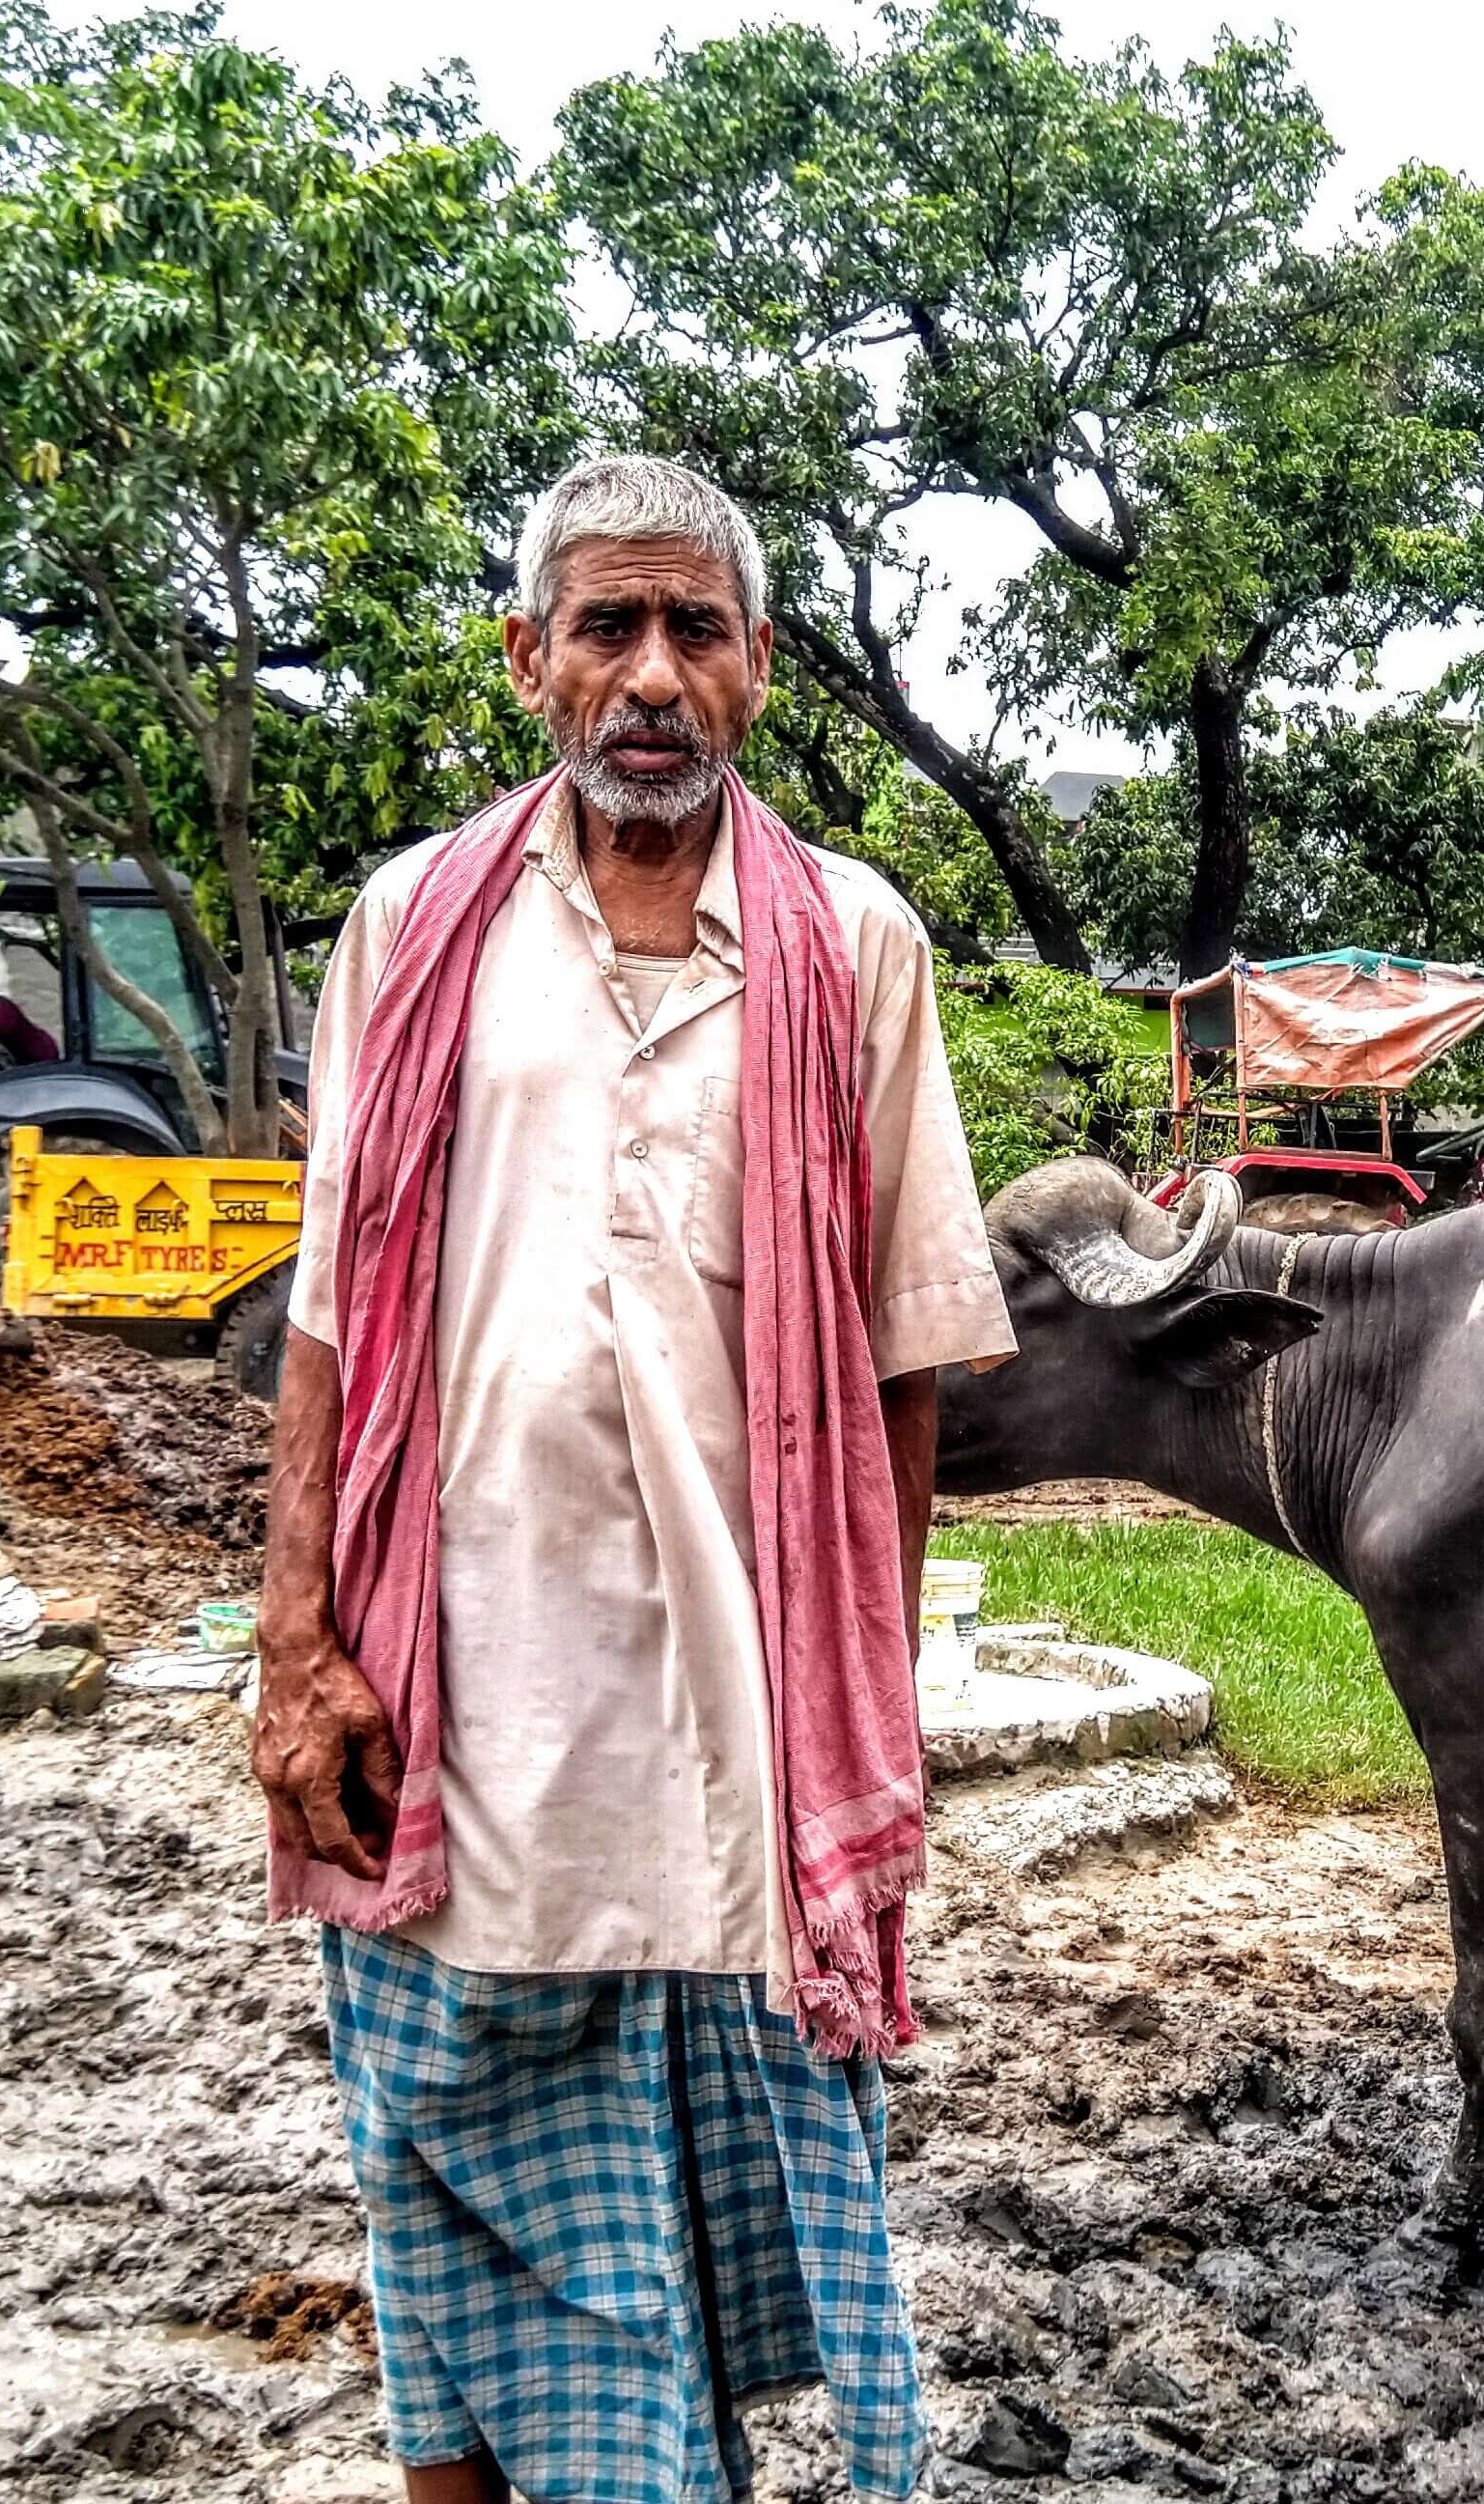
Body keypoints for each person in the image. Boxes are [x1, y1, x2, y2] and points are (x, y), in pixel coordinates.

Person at [251, 454, 1009, 2504]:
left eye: (696, 630)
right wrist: (296, 1649)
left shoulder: (853, 946)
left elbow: (905, 1355)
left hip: (732, 1743)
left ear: (759, 668)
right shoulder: (411, 927)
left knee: (701, 2228)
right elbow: (325, 1315)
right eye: (609, 626)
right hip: (455, 1702)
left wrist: (868, 1690)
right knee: (435, 2208)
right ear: (530, 660)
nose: (652, 675)